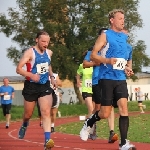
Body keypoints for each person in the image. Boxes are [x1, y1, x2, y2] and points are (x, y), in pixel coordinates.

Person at [80, 9, 136, 150]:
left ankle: (123, 143)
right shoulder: (105, 36)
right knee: (104, 113)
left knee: (124, 108)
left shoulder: (124, 38)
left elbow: (123, 60)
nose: (123, 21)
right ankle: (89, 122)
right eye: (120, 18)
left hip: (120, 78)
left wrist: (127, 68)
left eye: (124, 18)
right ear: (112, 20)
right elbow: (93, 55)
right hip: (106, 78)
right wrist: (107, 60)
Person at [16, 30, 57, 150]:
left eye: (47, 42)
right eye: (43, 41)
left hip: (44, 85)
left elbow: (48, 64)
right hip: (31, 86)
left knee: (45, 112)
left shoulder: (49, 52)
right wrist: (31, 75)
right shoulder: (30, 53)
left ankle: (47, 141)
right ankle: (24, 124)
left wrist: (52, 77)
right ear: (37, 40)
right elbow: (18, 69)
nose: (45, 44)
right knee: (28, 114)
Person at [83, 28, 118, 143]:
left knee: (110, 106)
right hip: (97, 82)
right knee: (97, 108)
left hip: (109, 80)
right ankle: (90, 125)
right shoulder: (93, 51)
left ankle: (111, 132)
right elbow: (85, 64)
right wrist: (97, 62)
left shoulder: (112, 50)